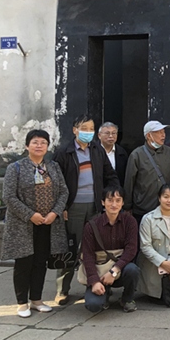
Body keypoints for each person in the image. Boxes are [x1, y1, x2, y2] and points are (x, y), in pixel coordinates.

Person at [52, 114, 120, 305]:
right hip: (72, 208)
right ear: (75, 130)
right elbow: (55, 183)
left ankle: (95, 286)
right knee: (70, 248)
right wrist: (62, 207)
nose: (88, 132)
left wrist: (112, 197)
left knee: (96, 247)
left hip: (95, 207)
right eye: (84, 129)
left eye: (91, 129)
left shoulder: (97, 150)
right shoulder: (64, 153)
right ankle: (62, 290)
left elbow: (110, 175)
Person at [1, 130, 69, 318]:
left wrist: (54, 212)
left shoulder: (53, 167)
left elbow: (63, 192)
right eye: (35, 142)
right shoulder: (15, 168)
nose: (39, 146)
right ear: (27, 146)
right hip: (23, 224)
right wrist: (30, 215)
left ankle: (37, 300)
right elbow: (8, 196)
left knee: (40, 262)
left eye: (43, 142)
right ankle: (22, 302)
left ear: (48, 146)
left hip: (47, 223)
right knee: (24, 262)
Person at [81, 187, 140, 313]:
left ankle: (127, 298)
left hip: (120, 269)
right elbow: (88, 256)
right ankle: (105, 292)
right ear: (103, 202)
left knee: (133, 269)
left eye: (118, 200)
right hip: (99, 270)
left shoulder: (130, 222)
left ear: (123, 203)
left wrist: (113, 271)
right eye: (110, 200)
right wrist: (94, 281)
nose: (114, 204)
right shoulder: (91, 226)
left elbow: (131, 250)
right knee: (93, 306)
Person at [137, 184, 170, 300]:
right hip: (155, 262)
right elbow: (145, 246)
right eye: (166, 197)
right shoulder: (148, 219)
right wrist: (163, 263)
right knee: (160, 296)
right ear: (159, 198)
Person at [124, 121, 170, 225]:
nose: (163, 135)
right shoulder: (136, 155)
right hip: (143, 208)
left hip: (166, 208)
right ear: (149, 136)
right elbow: (129, 182)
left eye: (163, 132)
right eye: (159, 132)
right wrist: (127, 206)